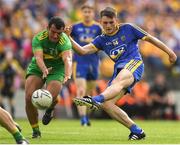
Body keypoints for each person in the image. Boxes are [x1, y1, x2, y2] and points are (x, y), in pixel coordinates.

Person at [65, 7, 177, 140]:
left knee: (116, 83)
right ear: (100, 22)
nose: (108, 26)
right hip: (119, 70)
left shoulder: (128, 28)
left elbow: (151, 39)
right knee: (107, 104)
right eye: (105, 23)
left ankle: (95, 99)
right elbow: (82, 51)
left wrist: (170, 52)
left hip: (134, 64)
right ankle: (136, 130)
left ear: (116, 20)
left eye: (111, 22)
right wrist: (68, 38)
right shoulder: (101, 40)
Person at [25, 16, 72, 138]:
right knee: (29, 96)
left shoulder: (65, 40)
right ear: (47, 28)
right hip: (38, 67)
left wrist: (68, 73)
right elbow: (39, 58)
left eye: (59, 33)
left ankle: (50, 108)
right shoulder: (38, 38)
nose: (56, 36)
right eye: (53, 32)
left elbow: (67, 59)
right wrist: (44, 69)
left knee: (48, 97)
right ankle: (36, 131)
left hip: (57, 69)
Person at [70, 3, 102, 126]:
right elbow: (67, 40)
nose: (87, 14)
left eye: (89, 12)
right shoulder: (75, 27)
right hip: (79, 62)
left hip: (94, 62)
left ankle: (86, 116)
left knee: (90, 93)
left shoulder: (98, 28)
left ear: (93, 13)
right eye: (85, 11)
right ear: (81, 13)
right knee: (81, 89)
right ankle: (83, 118)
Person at [0, 50, 25, 119]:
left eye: (10, 58)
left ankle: (12, 116)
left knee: (11, 101)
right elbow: (1, 72)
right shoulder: (3, 64)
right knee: (1, 100)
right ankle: (4, 115)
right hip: (4, 85)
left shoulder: (14, 64)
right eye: (7, 58)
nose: (8, 59)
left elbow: (20, 73)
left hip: (11, 85)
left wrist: (15, 86)